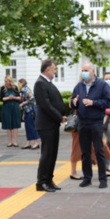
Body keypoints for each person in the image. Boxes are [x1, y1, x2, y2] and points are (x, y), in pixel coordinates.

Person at [70, 62, 110, 188]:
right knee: (85, 152)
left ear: (93, 71)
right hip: (82, 123)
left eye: (86, 70)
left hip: (96, 122)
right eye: (83, 70)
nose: (84, 72)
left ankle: (102, 179)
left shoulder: (102, 85)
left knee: (99, 151)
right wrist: (74, 101)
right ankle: (87, 177)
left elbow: (107, 102)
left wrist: (93, 102)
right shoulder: (79, 86)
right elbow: (72, 102)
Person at [33, 59, 66, 192]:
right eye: (54, 68)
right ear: (47, 69)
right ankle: (41, 182)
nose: (55, 71)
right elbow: (45, 105)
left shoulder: (47, 83)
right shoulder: (40, 83)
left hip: (52, 124)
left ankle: (49, 179)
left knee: (52, 153)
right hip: (46, 125)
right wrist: (59, 116)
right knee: (47, 153)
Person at [0, 75, 21, 147]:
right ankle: (10, 142)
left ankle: (15, 141)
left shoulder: (15, 88)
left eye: (7, 81)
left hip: (15, 107)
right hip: (6, 107)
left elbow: (19, 97)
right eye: (5, 81)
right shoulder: (3, 88)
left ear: (10, 81)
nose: (6, 82)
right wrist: (8, 98)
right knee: (8, 124)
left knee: (15, 124)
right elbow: (1, 99)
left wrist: (13, 97)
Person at [18, 77, 39, 150]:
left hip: (30, 110)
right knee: (28, 127)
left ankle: (36, 142)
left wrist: (23, 103)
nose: (18, 85)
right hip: (27, 111)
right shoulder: (23, 90)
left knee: (31, 126)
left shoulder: (25, 89)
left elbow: (32, 98)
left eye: (19, 83)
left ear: (22, 83)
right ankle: (28, 142)